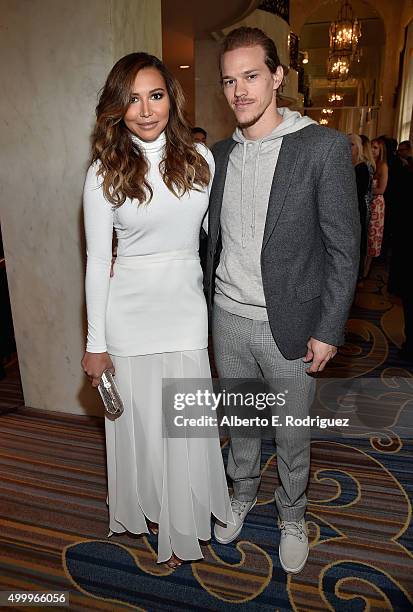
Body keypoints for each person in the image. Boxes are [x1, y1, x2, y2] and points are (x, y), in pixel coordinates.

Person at [204, 27, 360, 574]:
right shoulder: (217, 156)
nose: (239, 90)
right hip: (228, 319)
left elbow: (345, 248)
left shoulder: (322, 147)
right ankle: (242, 494)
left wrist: (330, 328)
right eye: (229, 80)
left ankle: (293, 514)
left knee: (293, 433)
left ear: (276, 76)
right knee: (242, 426)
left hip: (290, 326)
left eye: (251, 76)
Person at [81, 52, 233, 568]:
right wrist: (94, 344)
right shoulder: (104, 171)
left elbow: (216, 239)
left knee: (184, 424)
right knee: (144, 428)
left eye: (156, 95)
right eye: (132, 98)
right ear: (116, 107)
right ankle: (149, 510)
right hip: (129, 316)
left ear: (172, 98)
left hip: (187, 312)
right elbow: (98, 259)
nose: (145, 110)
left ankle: (186, 516)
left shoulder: (201, 159)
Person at [364, 138, 388, 274]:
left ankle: (366, 271)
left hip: (376, 203)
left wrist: (366, 190)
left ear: (381, 151)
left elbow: (381, 189)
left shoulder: (383, 166)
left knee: (372, 238)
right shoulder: (369, 163)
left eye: (376, 148)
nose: (373, 150)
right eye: (371, 147)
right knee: (365, 236)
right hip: (368, 200)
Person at [349, 133, 370, 281]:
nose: (348, 148)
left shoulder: (362, 167)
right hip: (348, 209)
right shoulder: (346, 164)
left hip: (357, 210)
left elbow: (358, 192)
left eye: (352, 145)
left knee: (358, 242)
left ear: (359, 148)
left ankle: (358, 275)